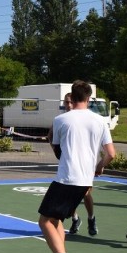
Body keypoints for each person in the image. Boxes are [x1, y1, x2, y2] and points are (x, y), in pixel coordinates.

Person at [33, 80, 115, 253]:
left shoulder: (61, 120)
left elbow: (57, 149)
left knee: (44, 221)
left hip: (67, 177)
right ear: (88, 98)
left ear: (72, 96)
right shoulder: (99, 121)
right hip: (84, 180)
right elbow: (111, 154)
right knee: (57, 220)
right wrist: (98, 167)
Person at [49, 93, 97, 236]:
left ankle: (91, 218)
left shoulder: (87, 119)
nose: (68, 105)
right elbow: (50, 136)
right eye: (66, 102)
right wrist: (58, 152)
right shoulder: (61, 120)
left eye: (70, 102)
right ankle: (75, 219)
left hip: (85, 165)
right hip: (69, 165)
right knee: (68, 194)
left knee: (86, 194)